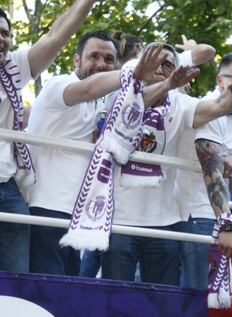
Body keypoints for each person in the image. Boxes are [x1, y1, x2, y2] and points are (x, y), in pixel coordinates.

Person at [101, 42, 232, 286]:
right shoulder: (119, 93)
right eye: (155, 62)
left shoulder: (181, 103)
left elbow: (218, 106)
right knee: (115, 302)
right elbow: (132, 107)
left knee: (163, 305)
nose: (161, 69)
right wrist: (168, 84)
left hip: (165, 223)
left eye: (168, 65)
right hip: (118, 222)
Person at [26, 31, 165, 276]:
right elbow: (88, 88)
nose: (101, 64)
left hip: (79, 217)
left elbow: (137, 103)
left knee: (68, 299)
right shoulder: (58, 85)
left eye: (109, 59)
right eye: (94, 56)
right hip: (45, 211)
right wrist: (133, 71)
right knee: (46, 298)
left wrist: (169, 83)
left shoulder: (101, 104)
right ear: (76, 60)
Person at [0, 0, 101, 273]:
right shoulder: (60, 85)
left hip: (7, 188)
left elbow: (55, 36)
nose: (2, 39)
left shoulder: (11, 69)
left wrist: (85, 3)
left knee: (18, 280)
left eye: (5, 33)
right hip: (37, 198)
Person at [174, 52, 232, 288]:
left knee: (211, 297)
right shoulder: (207, 108)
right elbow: (211, 167)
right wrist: (227, 224)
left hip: (215, 216)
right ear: (220, 81)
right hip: (196, 215)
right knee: (195, 296)